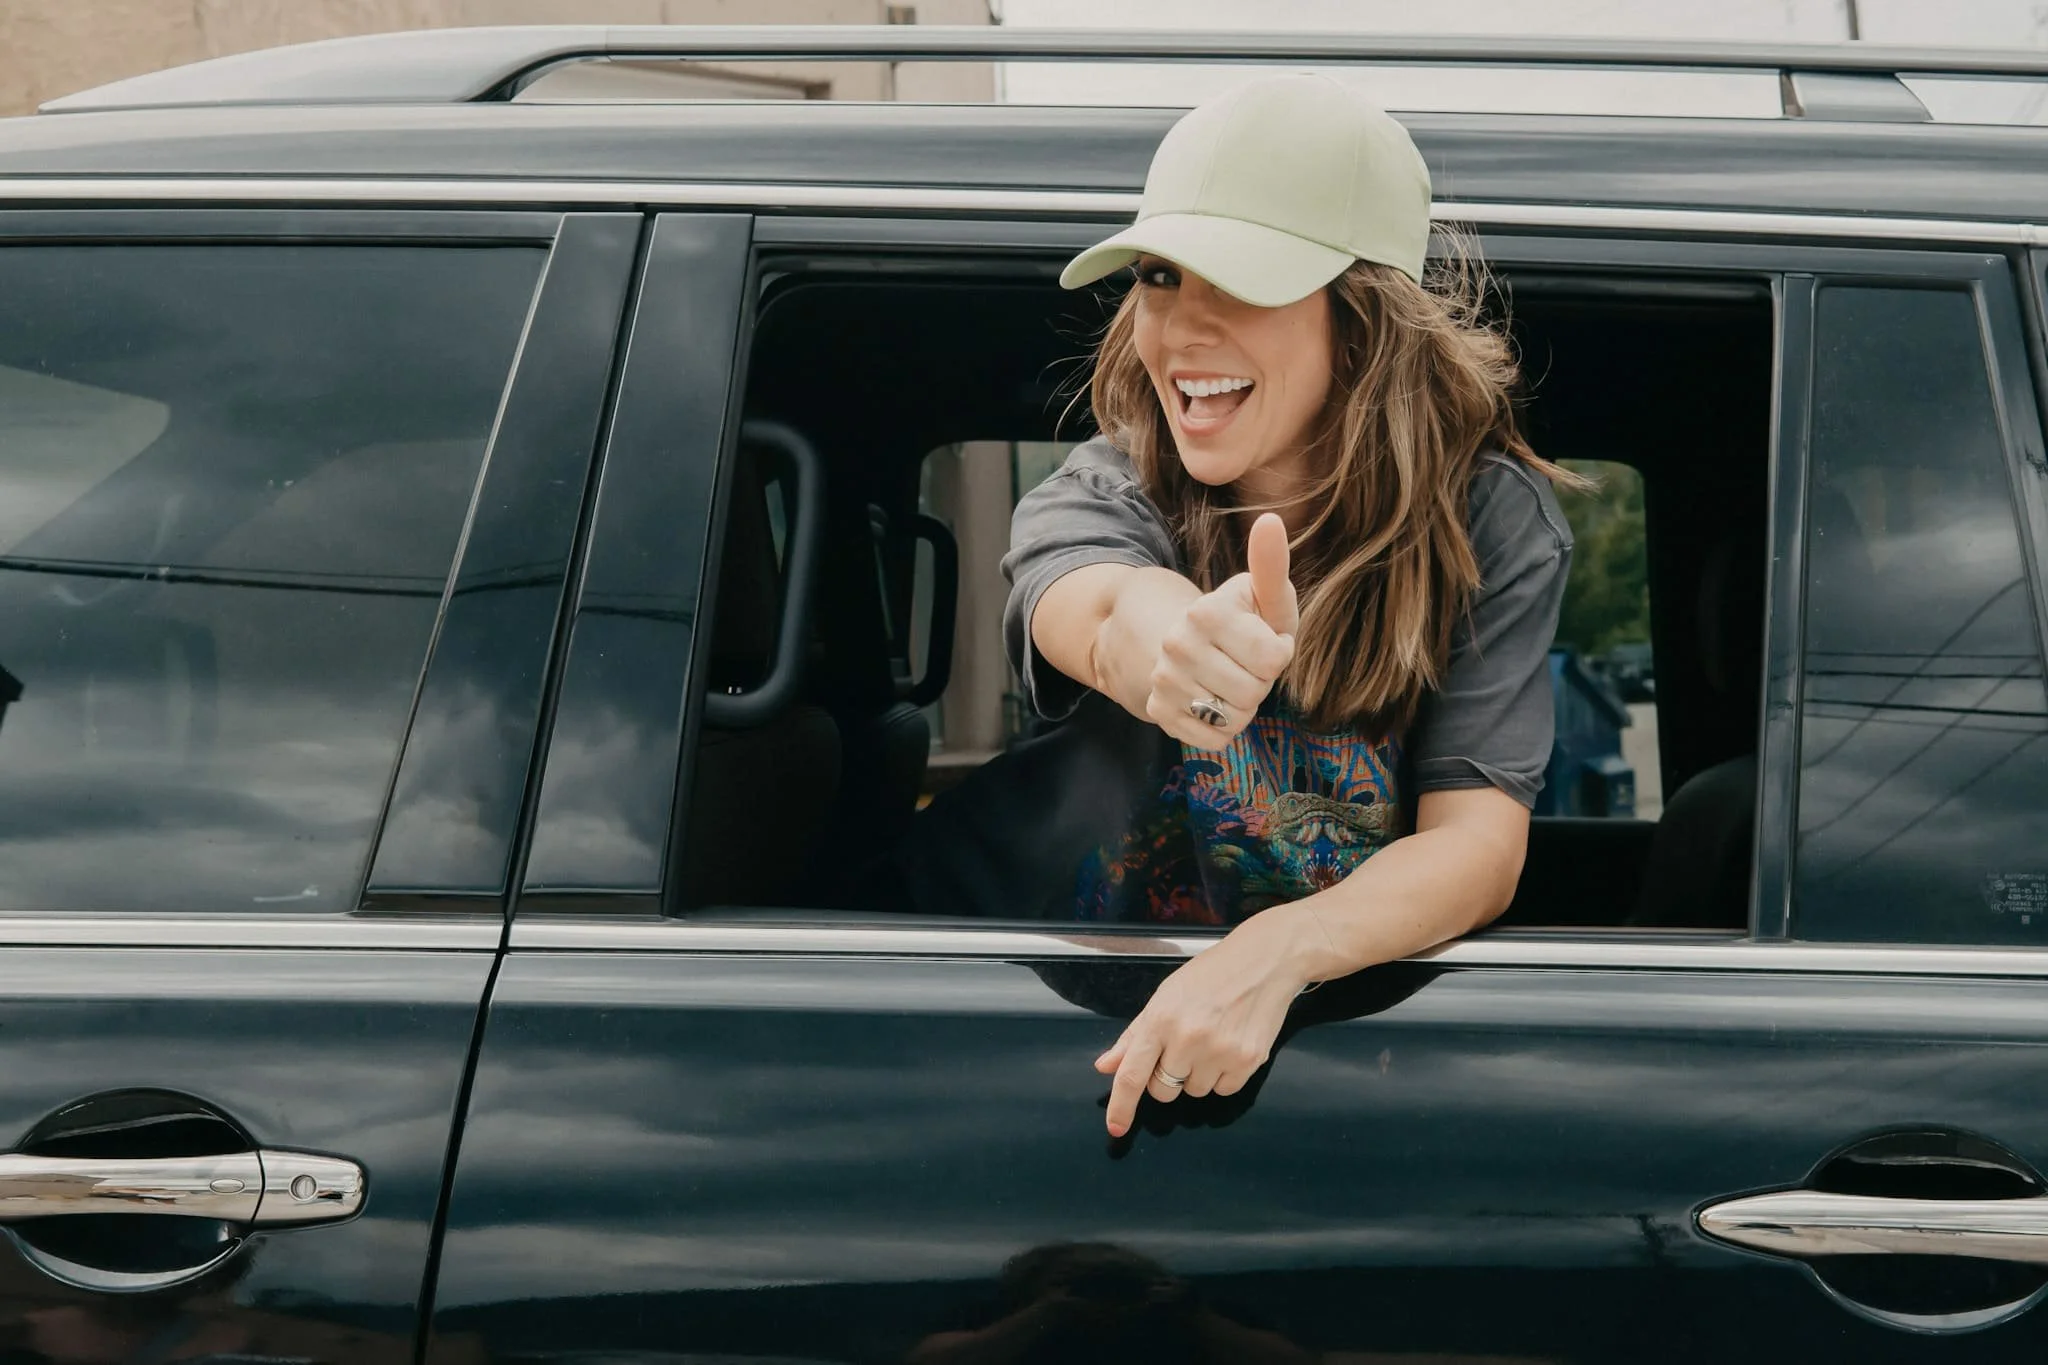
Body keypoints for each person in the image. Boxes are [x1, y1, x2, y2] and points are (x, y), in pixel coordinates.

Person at [1002, 75, 1576, 1138]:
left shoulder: (1486, 521)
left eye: (1242, 279)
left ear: (1361, 324)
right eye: (1160, 275)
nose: (1182, 325)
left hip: (1286, 1053)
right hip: (1031, 1027)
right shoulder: (1108, 485)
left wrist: (1276, 954)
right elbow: (1099, 610)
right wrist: (1175, 645)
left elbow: (1476, 846)